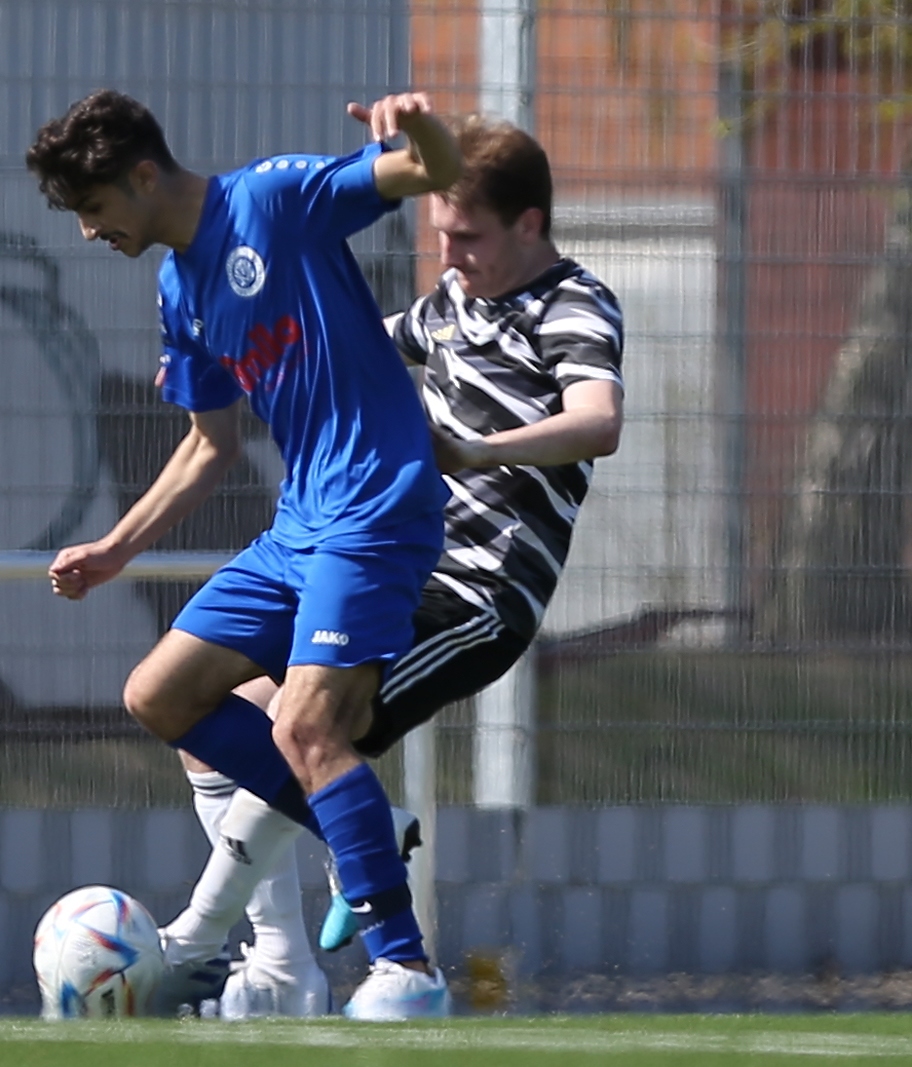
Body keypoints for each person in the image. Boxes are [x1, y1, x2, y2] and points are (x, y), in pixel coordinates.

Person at [161, 113, 626, 1019]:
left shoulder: (575, 302)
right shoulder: (452, 302)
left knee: (303, 728)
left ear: (530, 223)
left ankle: (198, 940)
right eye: (439, 233)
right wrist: (237, 346)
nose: (448, 255)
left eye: (468, 235)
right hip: (391, 563)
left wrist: (475, 449)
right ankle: (282, 964)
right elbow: (351, 338)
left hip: (478, 593)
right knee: (221, 725)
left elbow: (598, 419)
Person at [26, 89, 463, 1021]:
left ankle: (407, 968)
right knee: (160, 694)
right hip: (300, 525)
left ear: (143, 175)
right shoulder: (180, 286)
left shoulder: (274, 200)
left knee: (305, 726)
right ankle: (364, 829)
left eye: (95, 209)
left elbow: (435, 171)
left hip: (374, 505)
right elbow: (207, 444)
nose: (91, 232)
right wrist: (115, 548)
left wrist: (416, 123)